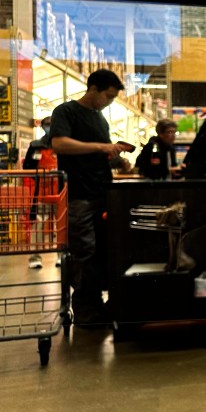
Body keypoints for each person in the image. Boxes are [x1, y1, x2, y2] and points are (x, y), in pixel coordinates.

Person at [49, 69, 132, 327]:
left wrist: (119, 160)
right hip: (80, 196)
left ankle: (99, 304)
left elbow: (102, 153)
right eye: (107, 96)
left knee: (104, 250)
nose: (109, 102)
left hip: (102, 193)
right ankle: (84, 308)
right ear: (93, 89)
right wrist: (101, 147)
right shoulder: (66, 112)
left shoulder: (100, 120)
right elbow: (59, 144)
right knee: (84, 252)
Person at [21, 116, 58, 269]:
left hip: (62, 192)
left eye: (51, 125)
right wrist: (39, 177)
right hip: (42, 192)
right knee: (39, 224)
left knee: (63, 226)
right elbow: (27, 167)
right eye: (46, 125)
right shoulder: (35, 145)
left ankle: (62, 256)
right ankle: (34, 258)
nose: (49, 127)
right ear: (42, 126)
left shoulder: (63, 144)